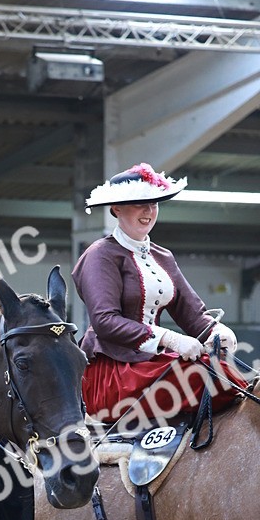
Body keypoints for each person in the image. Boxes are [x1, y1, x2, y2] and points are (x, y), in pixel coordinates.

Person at [72, 162, 240, 427]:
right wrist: (170, 338)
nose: (149, 211)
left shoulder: (163, 256)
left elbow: (192, 313)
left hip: (149, 364)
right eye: (141, 204)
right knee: (209, 377)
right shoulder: (99, 255)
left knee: (227, 375)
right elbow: (105, 322)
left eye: (154, 204)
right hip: (113, 373)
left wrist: (216, 332)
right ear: (116, 209)